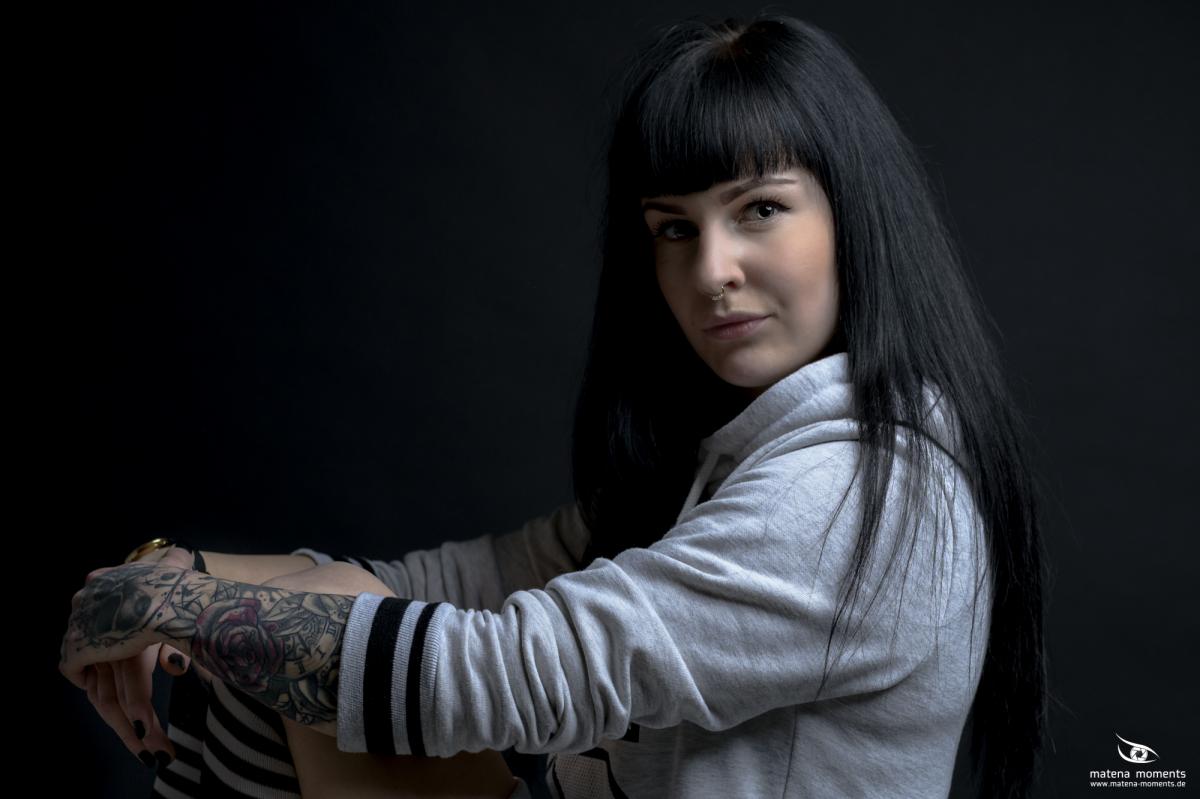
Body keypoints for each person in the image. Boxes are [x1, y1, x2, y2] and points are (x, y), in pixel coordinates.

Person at [60, 12, 1048, 799]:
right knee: (299, 632)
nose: (712, 270)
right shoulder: (736, 455)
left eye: (760, 209)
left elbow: (494, 677)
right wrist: (165, 574)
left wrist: (169, 609)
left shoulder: (851, 490)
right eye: (673, 228)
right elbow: (456, 581)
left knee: (304, 651)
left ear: (853, 216)